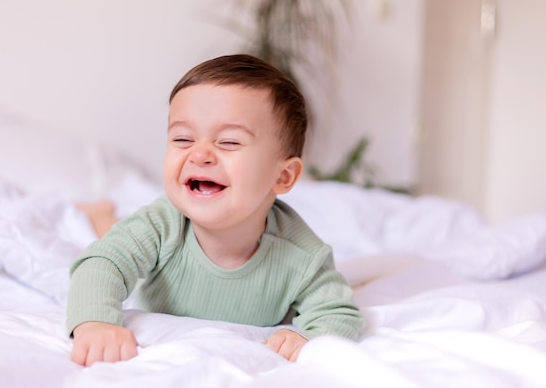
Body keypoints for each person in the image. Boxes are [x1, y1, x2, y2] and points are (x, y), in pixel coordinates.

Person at [67, 54, 364, 367]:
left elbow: (338, 314)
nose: (200, 154)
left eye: (229, 142)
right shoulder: (161, 224)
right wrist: (95, 323)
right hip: (147, 255)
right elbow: (102, 264)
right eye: (182, 138)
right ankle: (101, 214)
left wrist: (309, 339)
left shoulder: (302, 256)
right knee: (112, 232)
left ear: (283, 176)